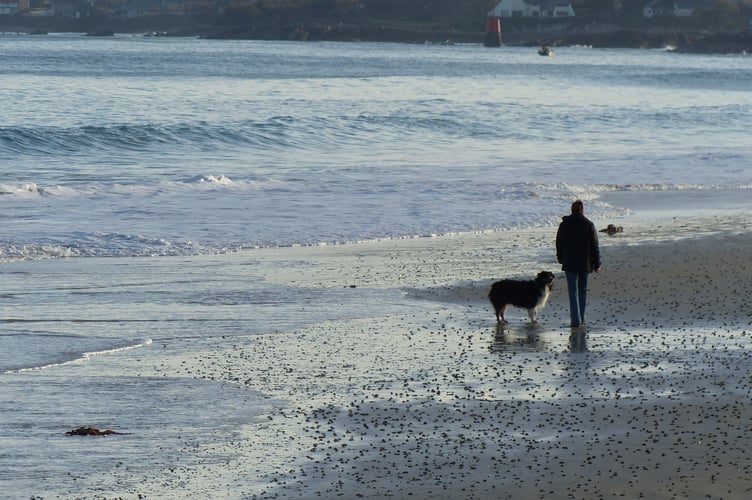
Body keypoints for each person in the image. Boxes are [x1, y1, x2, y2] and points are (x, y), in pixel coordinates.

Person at [556, 200, 601, 327]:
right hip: (585, 263)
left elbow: (559, 243)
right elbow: (594, 246)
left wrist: (560, 258)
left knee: (572, 291)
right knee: (582, 290)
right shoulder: (589, 225)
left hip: (569, 262)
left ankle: (575, 320)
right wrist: (597, 263)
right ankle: (582, 318)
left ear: (572, 210)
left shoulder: (564, 224)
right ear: (582, 210)